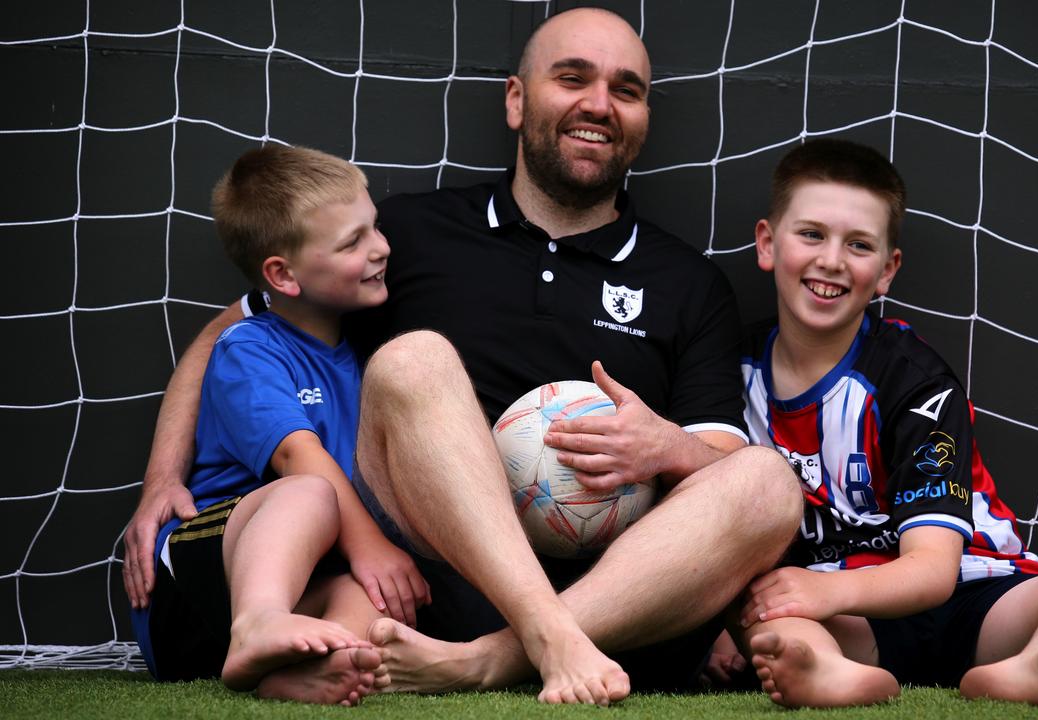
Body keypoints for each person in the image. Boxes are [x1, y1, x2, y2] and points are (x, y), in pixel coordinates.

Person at [122, 7, 801, 706]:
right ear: (516, 99)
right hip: (428, 577)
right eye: (573, 78)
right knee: (413, 358)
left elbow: (719, 472)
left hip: (622, 594)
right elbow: (234, 332)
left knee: (768, 482)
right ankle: (543, 639)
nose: (599, 104)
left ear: (643, 118)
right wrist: (160, 479)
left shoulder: (690, 284)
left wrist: (665, 447)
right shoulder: (408, 234)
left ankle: (491, 659)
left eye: (626, 90)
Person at [736, 138, 1038, 707]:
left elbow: (932, 572)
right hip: (852, 620)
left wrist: (822, 589)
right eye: (811, 234)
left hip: (976, 597)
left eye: (858, 245)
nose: (831, 260)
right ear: (767, 243)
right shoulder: (729, 371)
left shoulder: (914, 380)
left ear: (886, 271)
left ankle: (1032, 665)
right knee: (773, 622)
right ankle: (829, 674)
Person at [128, 145, 431, 705]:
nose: (381, 248)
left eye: (376, 228)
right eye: (352, 243)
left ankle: (311, 668)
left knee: (369, 600)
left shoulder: (365, 357)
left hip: (295, 596)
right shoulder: (248, 349)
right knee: (310, 493)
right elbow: (296, 459)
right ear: (283, 275)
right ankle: (259, 622)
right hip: (200, 579)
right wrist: (370, 546)